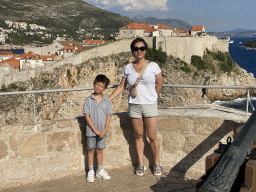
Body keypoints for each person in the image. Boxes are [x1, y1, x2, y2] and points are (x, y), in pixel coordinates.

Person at [108, 38, 164, 176]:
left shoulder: (153, 66)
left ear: (145, 50)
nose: (139, 51)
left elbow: (160, 83)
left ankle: (157, 162)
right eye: (136, 48)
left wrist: (153, 97)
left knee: (152, 136)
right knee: (139, 135)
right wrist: (108, 99)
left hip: (149, 105)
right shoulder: (127, 68)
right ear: (132, 51)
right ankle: (140, 163)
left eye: (142, 48)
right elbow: (121, 86)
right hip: (134, 105)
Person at [83, 74, 112, 183]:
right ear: (94, 84)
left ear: (104, 88)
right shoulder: (88, 99)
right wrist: (95, 130)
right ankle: (91, 171)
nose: (98, 87)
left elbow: (108, 116)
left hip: (103, 131)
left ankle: (99, 170)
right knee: (91, 150)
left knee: (100, 150)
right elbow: (87, 116)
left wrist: (104, 130)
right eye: (97, 85)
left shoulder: (106, 101)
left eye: (101, 86)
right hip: (91, 131)